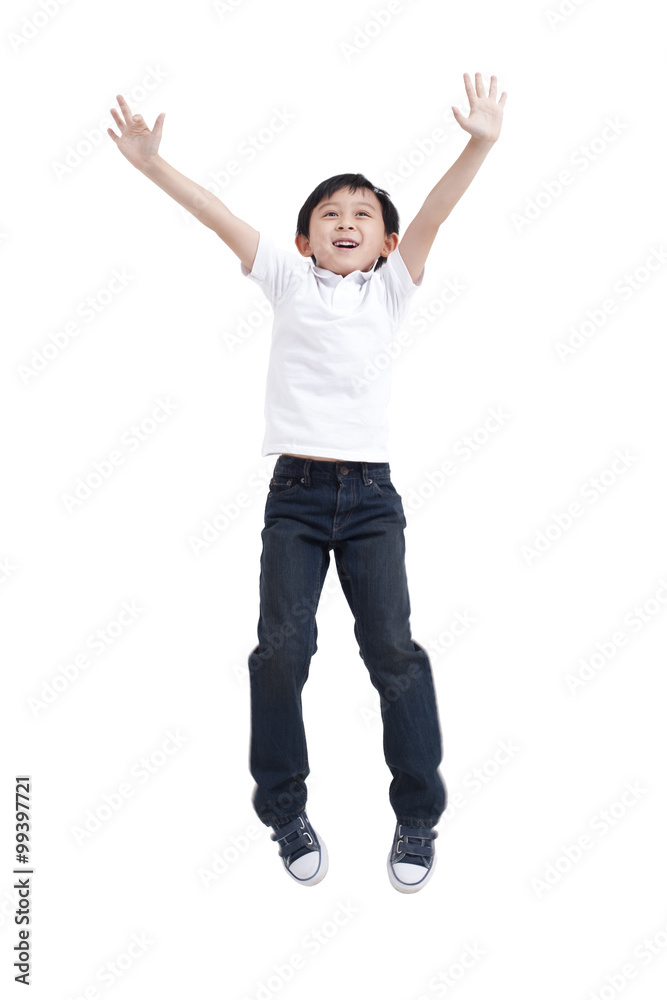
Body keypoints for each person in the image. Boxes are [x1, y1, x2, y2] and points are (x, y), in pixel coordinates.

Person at [108, 72, 507, 893]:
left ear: (387, 243)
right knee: (281, 652)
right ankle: (284, 809)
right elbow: (216, 211)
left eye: (363, 215)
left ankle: (417, 815)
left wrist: (479, 142)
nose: (347, 222)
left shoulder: (390, 289)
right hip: (293, 496)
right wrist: (153, 165)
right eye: (330, 215)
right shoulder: (287, 281)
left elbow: (433, 210)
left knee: (392, 649)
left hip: (370, 501)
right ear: (304, 243)